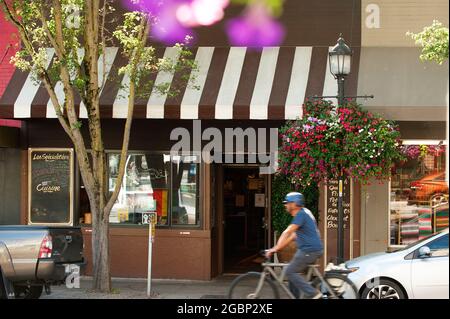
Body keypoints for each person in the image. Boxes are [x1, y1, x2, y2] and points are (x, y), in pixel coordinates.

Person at [266, 192, 324, 299]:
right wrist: (277, 248)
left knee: (290, 271)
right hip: (310, 250)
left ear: (295, 203)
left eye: (287, 203)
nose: (285, 205)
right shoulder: (304, 213)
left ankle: (314, 294)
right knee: (291, 270)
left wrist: (274, 249)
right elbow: (292, 237)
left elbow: (287, 232)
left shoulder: (301, 214)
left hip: (309, 250)